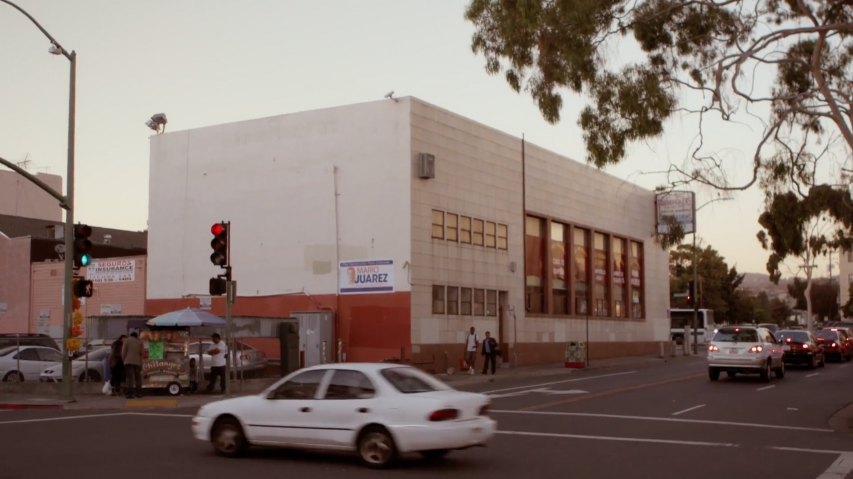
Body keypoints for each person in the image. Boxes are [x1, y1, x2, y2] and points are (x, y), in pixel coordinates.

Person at [121, 331, 143, 398]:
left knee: (129, 378)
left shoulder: (126, 341)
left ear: (130, 335)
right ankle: (138, 393)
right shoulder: (140, 342)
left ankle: (129, 394)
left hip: (128, 362)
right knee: (138, 378)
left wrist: (124, 360)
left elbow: (123, 352)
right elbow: (142, 353)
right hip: (137, 363)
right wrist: (141, 363)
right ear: (136, 336)